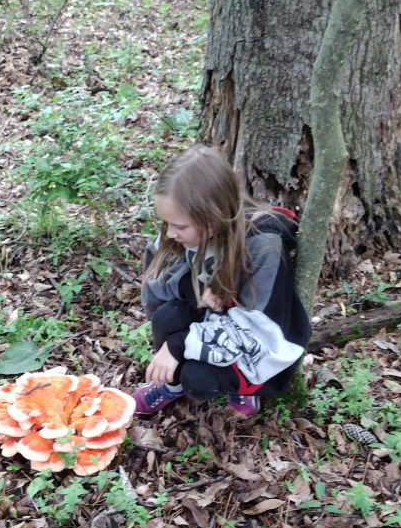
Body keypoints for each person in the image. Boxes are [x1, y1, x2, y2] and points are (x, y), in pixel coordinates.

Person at [133, 144, 311, 416]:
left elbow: (257, 333)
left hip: (251, 341)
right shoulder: (181, 231)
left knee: (198, 379)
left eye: (179, 226)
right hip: (208, 322)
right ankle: (171, 381)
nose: (169, 234)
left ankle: (242, 388)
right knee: (166, 317)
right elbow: (156, 283)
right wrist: (195, 287)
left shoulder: (263, 247)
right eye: (166, 223)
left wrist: (179, 344)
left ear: (213, 219)